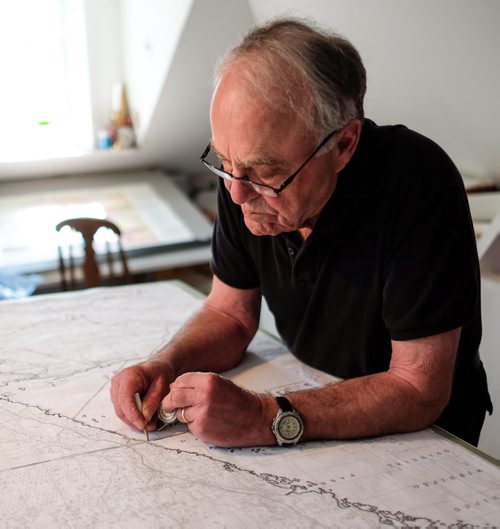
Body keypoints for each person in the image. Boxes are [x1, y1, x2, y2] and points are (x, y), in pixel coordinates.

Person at [111, 18, 492, 448]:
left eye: (266, 174)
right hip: (309, 394)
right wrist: (166, 365)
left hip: (425, 438)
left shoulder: (418, 182)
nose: (237, 194)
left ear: (344, 145)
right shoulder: (242, 173)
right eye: (224, 163)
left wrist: (264, 416)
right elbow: (230, 315)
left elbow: (418, 389)